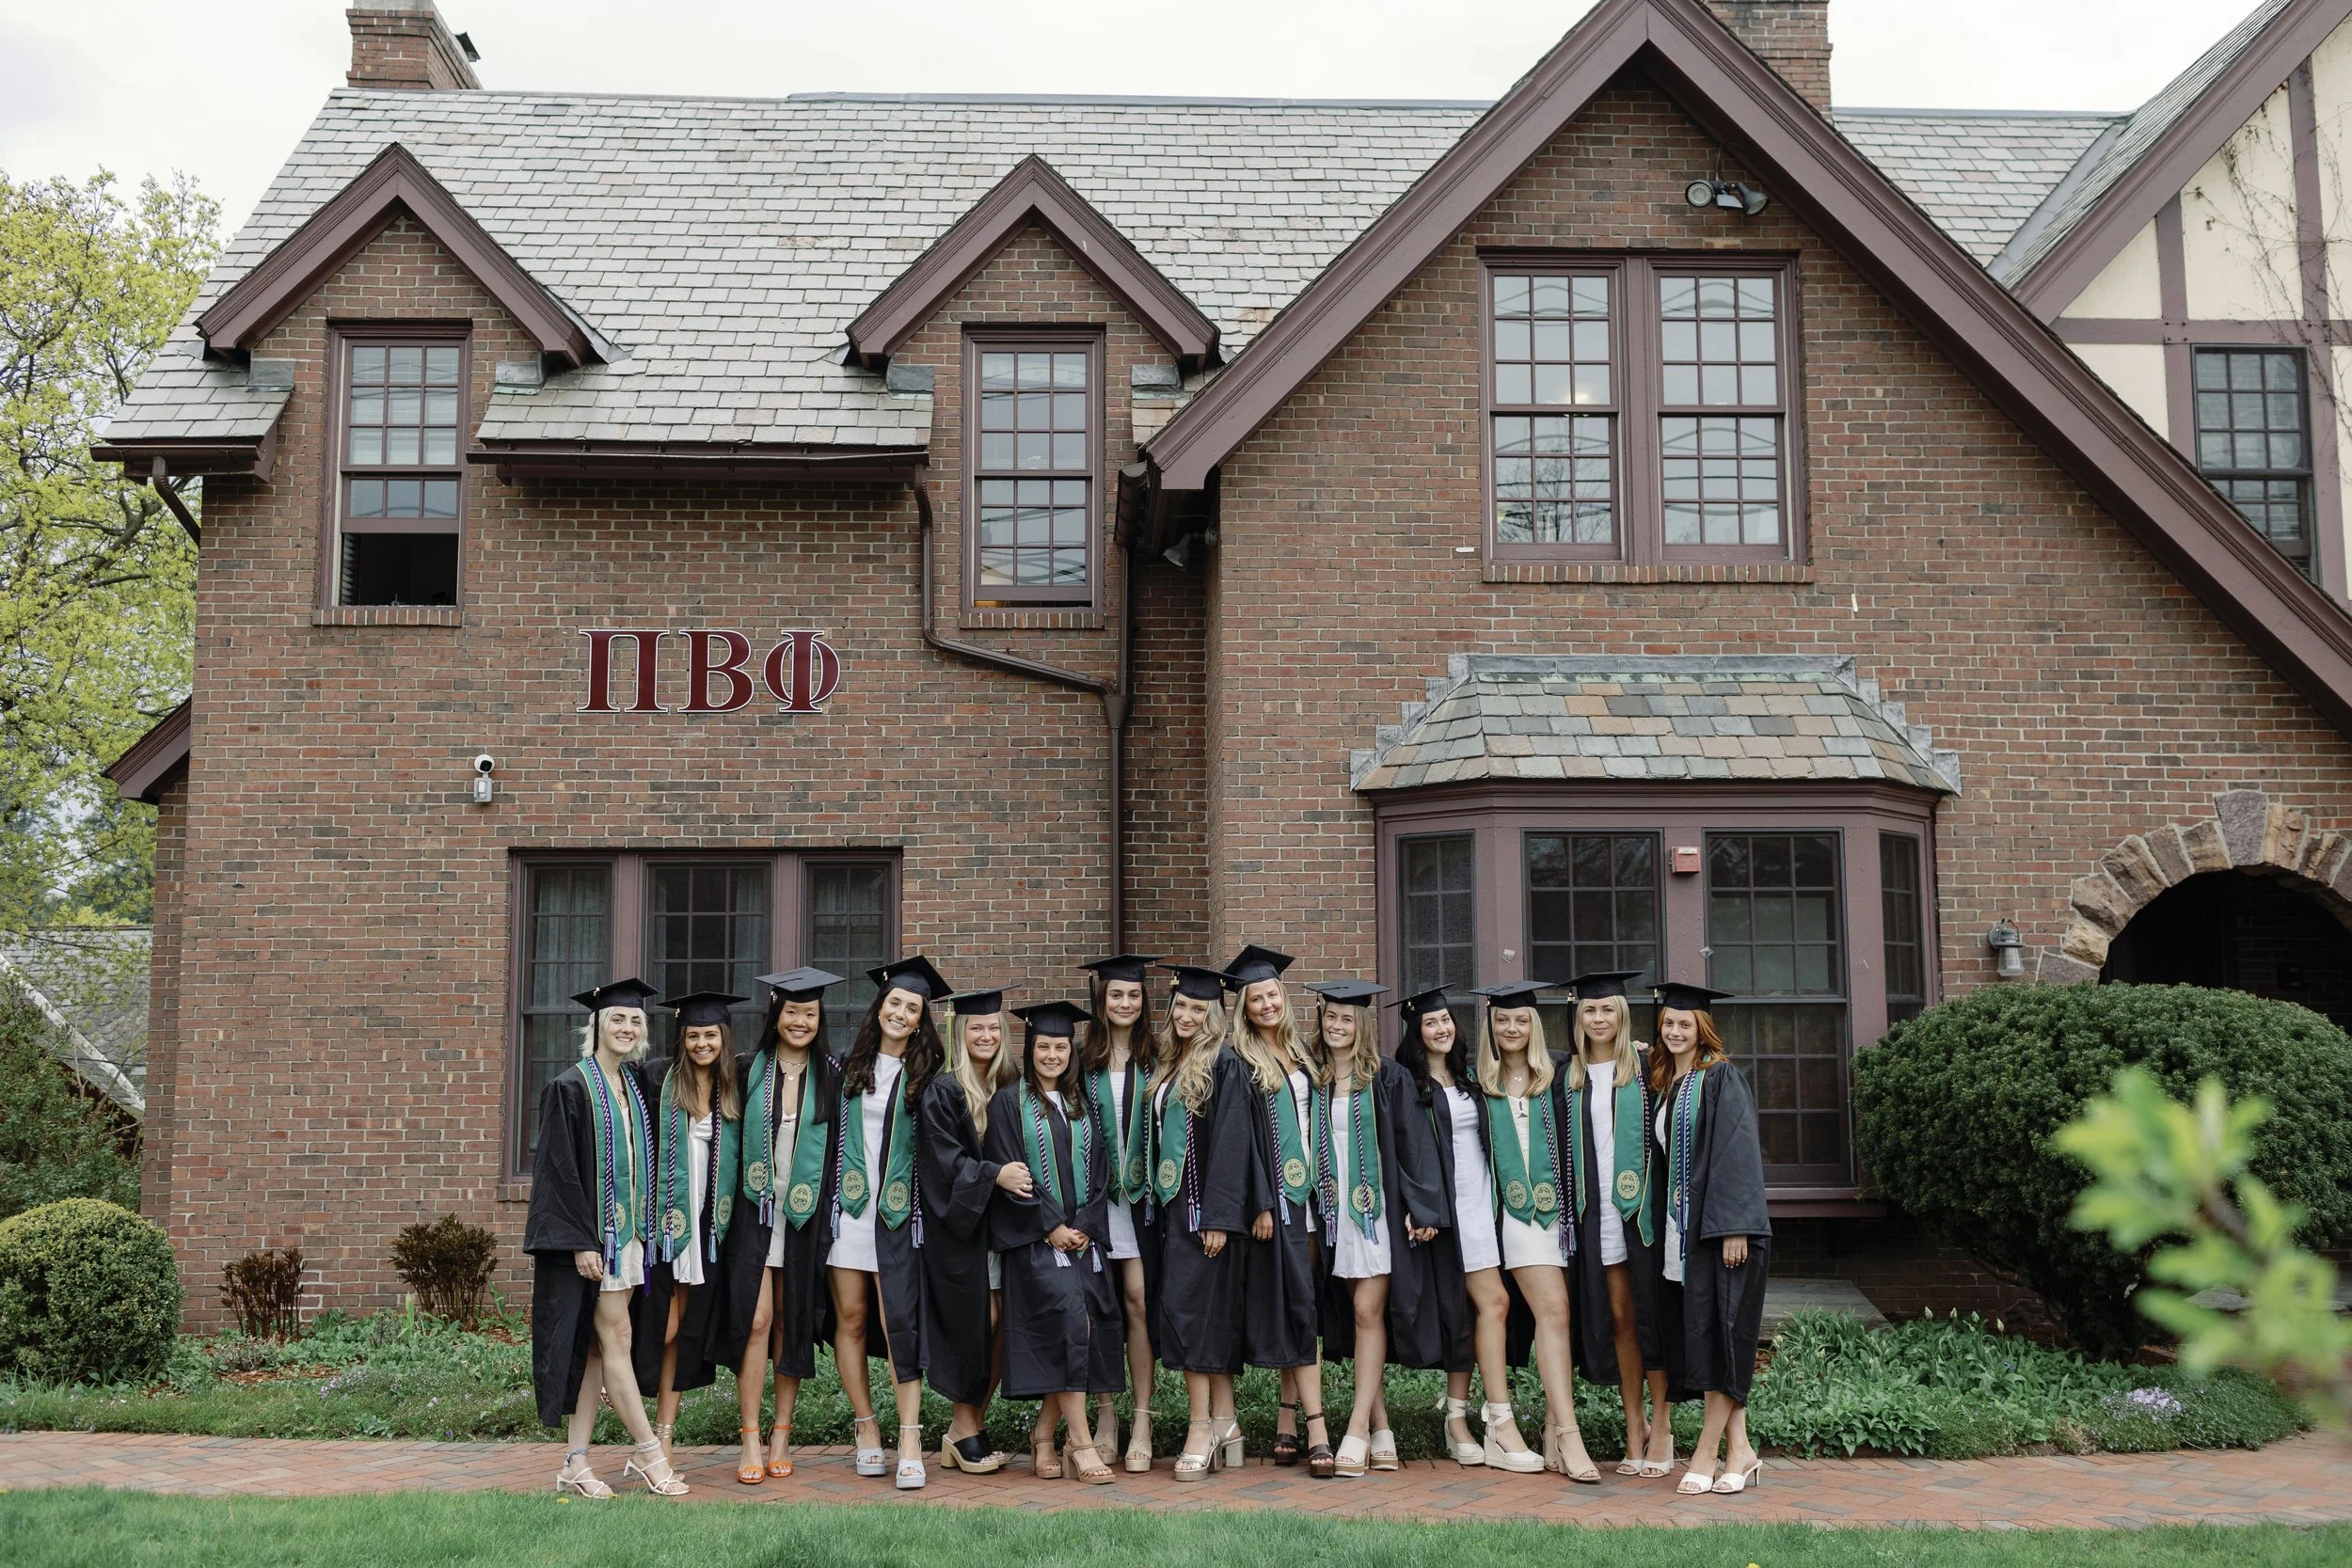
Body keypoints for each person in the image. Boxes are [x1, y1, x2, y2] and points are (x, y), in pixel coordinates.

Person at [524, 978, 689, 1498]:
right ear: (594, 1026)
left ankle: (575, 1462)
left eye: (635, 1020)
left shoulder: (634, 1087)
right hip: (595, 1243)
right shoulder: (569, 1088)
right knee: (616, 1340)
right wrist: (580, 1242)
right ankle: (648, 1454)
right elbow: (557, 1173)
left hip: (629, 1238)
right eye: (616, 1019)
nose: (626, 1027)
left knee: (598, 1350)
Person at [1391, 987, 1544, 1473]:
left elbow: (1539, 1060)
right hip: (1445, 1211)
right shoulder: (1406, 1083)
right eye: (1430, 1023)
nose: (1441, 1029)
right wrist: (1420, 1206)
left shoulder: (1472, 1077)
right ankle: (1492, 1423)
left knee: (1479, 1309)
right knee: (1484, 1305)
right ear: (1417, 1032)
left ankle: (1461, 1418)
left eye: (1446, 1020)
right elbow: (1401, 1150)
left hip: (1484, 1206)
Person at [1304, 978, 1445, 1480]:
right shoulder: (1313, 1077)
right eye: (1331, 1017)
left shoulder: (1385, 1077)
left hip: (1374, 1211)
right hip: (1327, 1212)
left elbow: (1413, 1143)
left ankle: (1358, 1428)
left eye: (1347, 1018)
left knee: (1368, 1311)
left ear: (1361, 1024)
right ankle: (1382, 1426)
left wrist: (1420, 1207)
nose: (1337, 1025)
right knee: (1352, 1315)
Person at [716, 967, 843, 1484]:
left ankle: (781, 1434)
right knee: (757, 1320)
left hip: (805, 1217)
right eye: (791, 1012)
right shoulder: (747, 1070)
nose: (800, 1021)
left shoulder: (832, 1075)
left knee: (793, 1321)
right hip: (754, 1211)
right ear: (776, 1014)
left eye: (809, 1014)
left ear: (819, 1020)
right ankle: (749, 1436)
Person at [987, 1000, 1121, 1485]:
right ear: (1031, 1049)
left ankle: (1044, 1434)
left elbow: (1103, 1167)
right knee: (1070, 1323)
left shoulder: (1082, 1101)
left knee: (1081, 1331)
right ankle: (1081, 1445)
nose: (1051, 1055)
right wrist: (1050, 1226)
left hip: (1083, 1238)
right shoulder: (1009, 1102)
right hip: (1037, 1241)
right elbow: (1011, 1170)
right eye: (1043, 1046)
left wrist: (1084, 1222)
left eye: (1060, 1047)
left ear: (1072, 1051)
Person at [1473, 979, 1600, 1482]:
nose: (1511, 1028)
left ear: (1535, 1025)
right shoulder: (1475, 1082)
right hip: (1515, 1216)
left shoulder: (1562, 1075)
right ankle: (1570, 1436)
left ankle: (1551, 1428)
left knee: (1562, 1318)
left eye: (1521, 1019)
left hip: (1567, 1217)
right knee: (1553, 1311)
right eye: (1502, 1019)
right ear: (1490, 1026)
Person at [828, 954, 948, 1490]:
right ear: (880, 1008)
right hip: (849, 1213)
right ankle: (867, 1429)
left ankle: (910, 1438)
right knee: (851, 1320)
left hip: (902, 1216)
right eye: (893, 1003)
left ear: (922, 1019)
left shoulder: (931, 1080)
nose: (900, 1013)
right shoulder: (844, 1070)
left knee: (900, 1322)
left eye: (911, 1007)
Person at [1648, 981, 1772, 1497]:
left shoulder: (1720, 1078)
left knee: (1723, 1338)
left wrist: (1735, 1227)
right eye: (1668, 1024)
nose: (1675, 1032)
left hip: (1724, 1234)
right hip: (1686, 1236)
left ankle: (1704, 1453)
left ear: (1703, 1030)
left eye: (1685, 1024)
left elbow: (1736, 1151)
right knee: (1708, 1342)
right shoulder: (1670, 1083)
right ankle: (1740, 1453)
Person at [1564, 970, 1674, 1479]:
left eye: (1608, 1009)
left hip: (1645, 1215)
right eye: (1590, 1010)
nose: (1599, 1018)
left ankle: (1663, 1426)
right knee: (1622, 1318)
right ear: (1578, 1017)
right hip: (1599, 1217)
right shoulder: (1568, 1076)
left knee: (1652, 1313)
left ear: (1623, 1015)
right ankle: (1634, 1429)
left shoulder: (1651, 1068)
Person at [1151, 963, 1253, 1481]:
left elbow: (1233, 1144)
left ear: (1213, 1013)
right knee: (1195, 1315)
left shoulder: (1224, 1063)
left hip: (1202, 1218)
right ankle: (1226, 1424)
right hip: (1174, 1217)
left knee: (1195, 1319)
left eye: (1198, 1008)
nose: (1187, 1014)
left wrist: (1218, 1217)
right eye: (1181, 1006)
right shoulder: (1173, 1063)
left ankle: (1200, 1428)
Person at [632, 991, 744, 1466]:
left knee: (682, 1331)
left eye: (711, 1035)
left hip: (709, 1226)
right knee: (663, 1326)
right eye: (694, 1035)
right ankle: (643, 1433)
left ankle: (665, 1435)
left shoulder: (733, 1087)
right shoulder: (657, 1079)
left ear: (724, 1037)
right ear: (682, 1039)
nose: (703, 1043)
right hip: (664, 1226)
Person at [1227, 944, 1325, 1470]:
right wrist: (1260, 1203)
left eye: (1273, 995)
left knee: (1302, 1308)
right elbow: (1244, 1142)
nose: (1267, 1004)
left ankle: (1286, 1417)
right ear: (1243, 1007)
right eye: (1256, 998)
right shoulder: (1241, 1062)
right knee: (1297, 1308)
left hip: (1314, 1198)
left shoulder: (1303, 1053)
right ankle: (1315, 1426)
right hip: (1279, 1205)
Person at [920, 986, 1025, 1474]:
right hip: (963, 1233)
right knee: (975, 1322)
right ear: (960, 1034)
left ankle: (971, 1427)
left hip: (1007, 1227)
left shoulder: (1011, 1083)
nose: (985, 1035)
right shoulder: (944, 1090)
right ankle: (963, 1426)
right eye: (975, 1028)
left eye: (992, 1028)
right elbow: (944, 1162)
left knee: (1004, 1322)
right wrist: (994, 1176)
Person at [1079, 953, 1163, 1472]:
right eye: (1116, 995)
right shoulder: (1079, 1061)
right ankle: (1105, 1415)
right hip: (1093, 1202)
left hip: (1142, 1201)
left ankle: (1143, 1419)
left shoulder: (1158, 1058)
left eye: (1133, 995)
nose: (1125, 1003)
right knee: (1098, 1307)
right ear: (1101, 1001)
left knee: (1137, 1302)